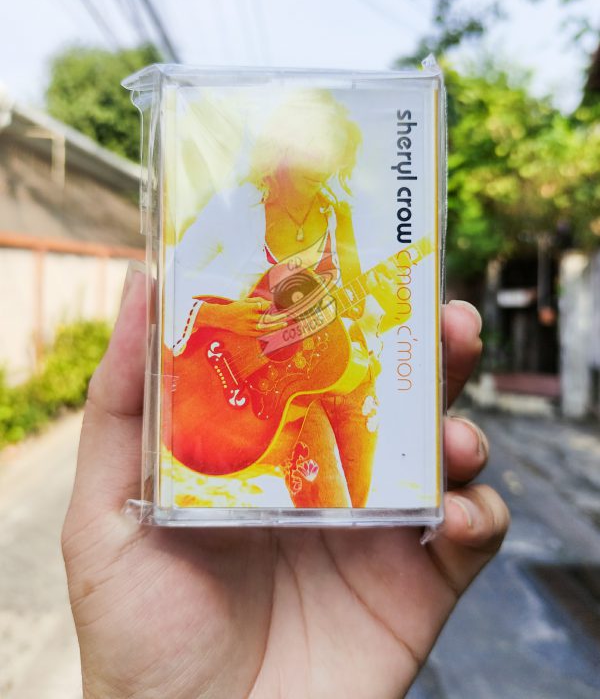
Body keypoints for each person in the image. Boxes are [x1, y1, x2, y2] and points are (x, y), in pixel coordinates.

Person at [63, 265, 509, 698]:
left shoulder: (346, 268)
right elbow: (178, 299)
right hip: (213, 383)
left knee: (362, 484)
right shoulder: (221, 240)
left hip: (289, 415)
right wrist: (221, 315)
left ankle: (350, 567)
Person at [166, 90, 407, 507]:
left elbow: (357, 309)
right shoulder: (234, 208)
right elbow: (167, 283)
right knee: (329, 512)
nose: (323, 164)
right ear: (282, 147)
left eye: (334, 152)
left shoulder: (339, 215)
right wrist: (221, 316)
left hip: (350, 380)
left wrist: (390, 308)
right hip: (279, 393)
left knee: (358, 513)